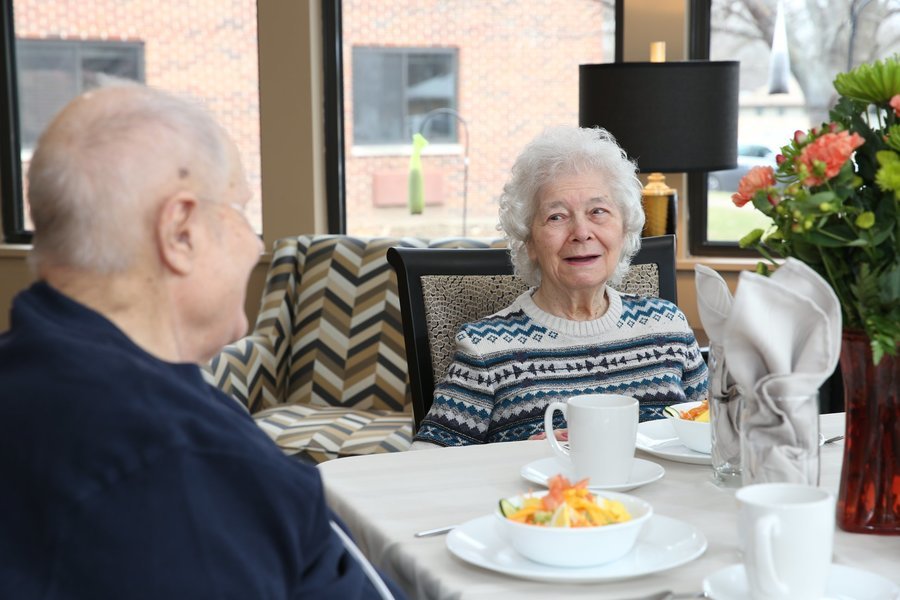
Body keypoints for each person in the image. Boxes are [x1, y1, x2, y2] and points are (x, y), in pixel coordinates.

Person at [0, 84, 403, 599]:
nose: (256, 243)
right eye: (240, 211)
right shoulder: (179, 473)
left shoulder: (34, 377)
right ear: (181, 233)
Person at [412, 125, 708, 448]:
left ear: (624, 231)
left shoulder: (669, 329)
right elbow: (426, 461)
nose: (581, 232)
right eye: (557, 217)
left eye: (598, 211)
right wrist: (517, 456)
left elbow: (716, 431)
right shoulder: (486, 350)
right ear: (530, 243)